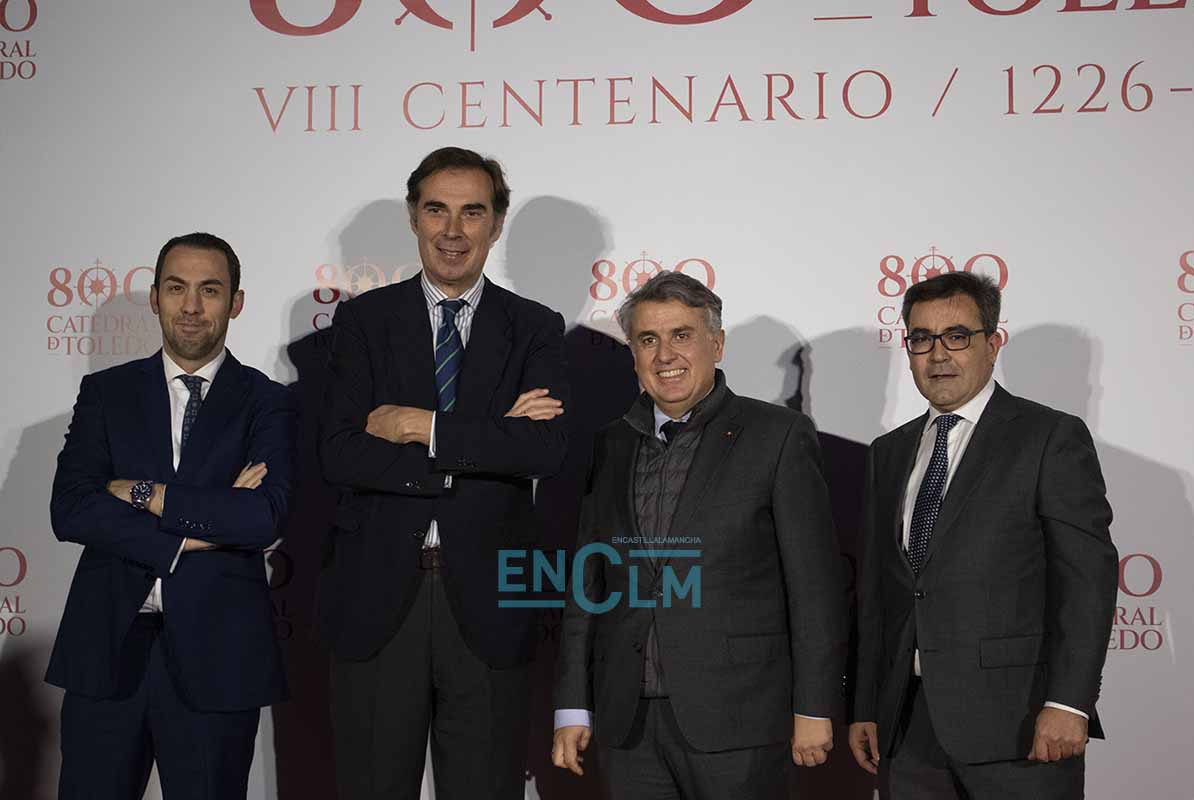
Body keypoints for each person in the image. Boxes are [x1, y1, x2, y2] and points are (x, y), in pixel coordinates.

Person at [317, 146, 569, 799]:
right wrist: (484, 442)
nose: (453, 231)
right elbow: (339, 452)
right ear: (413, 217)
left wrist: (419, 426)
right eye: (437, 210)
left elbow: (543, 449)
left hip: (490, 608)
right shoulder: (363, 321)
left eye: (472, 212)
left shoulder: (536, 328)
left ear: (497, 223)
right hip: (378, 603)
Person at [552, 271, 846, 799]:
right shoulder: (610, 444)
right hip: (628, 722)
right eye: (648, 339)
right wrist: (573, 705)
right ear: (634, 354)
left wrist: (814, 705)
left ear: (717, 343)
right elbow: (587, 584)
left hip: (740, 718)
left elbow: (814, 587)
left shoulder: (777, 436)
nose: (665, 355)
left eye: (682, 335)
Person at [848, 271, 1117, 799]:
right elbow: (878, 595)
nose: (938, 355)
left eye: (957, 336)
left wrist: (1069, 703)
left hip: (1020, 725)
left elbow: (1086, 582)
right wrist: (866, 706)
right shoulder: (888, 452)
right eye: (922, 338)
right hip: (908, 728)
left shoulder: (1050, 438)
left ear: (992, 345)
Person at [48, 232, 295, 799]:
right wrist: (193, 534)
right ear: (155, 297)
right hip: (107, 648)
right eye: (177, 288)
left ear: (235, 302)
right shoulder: (106, 392)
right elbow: (71, 508)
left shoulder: (268, 401)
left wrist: (140, 493)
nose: (191, 306)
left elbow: (262, 517)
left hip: (220, 656)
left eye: (209, 290)